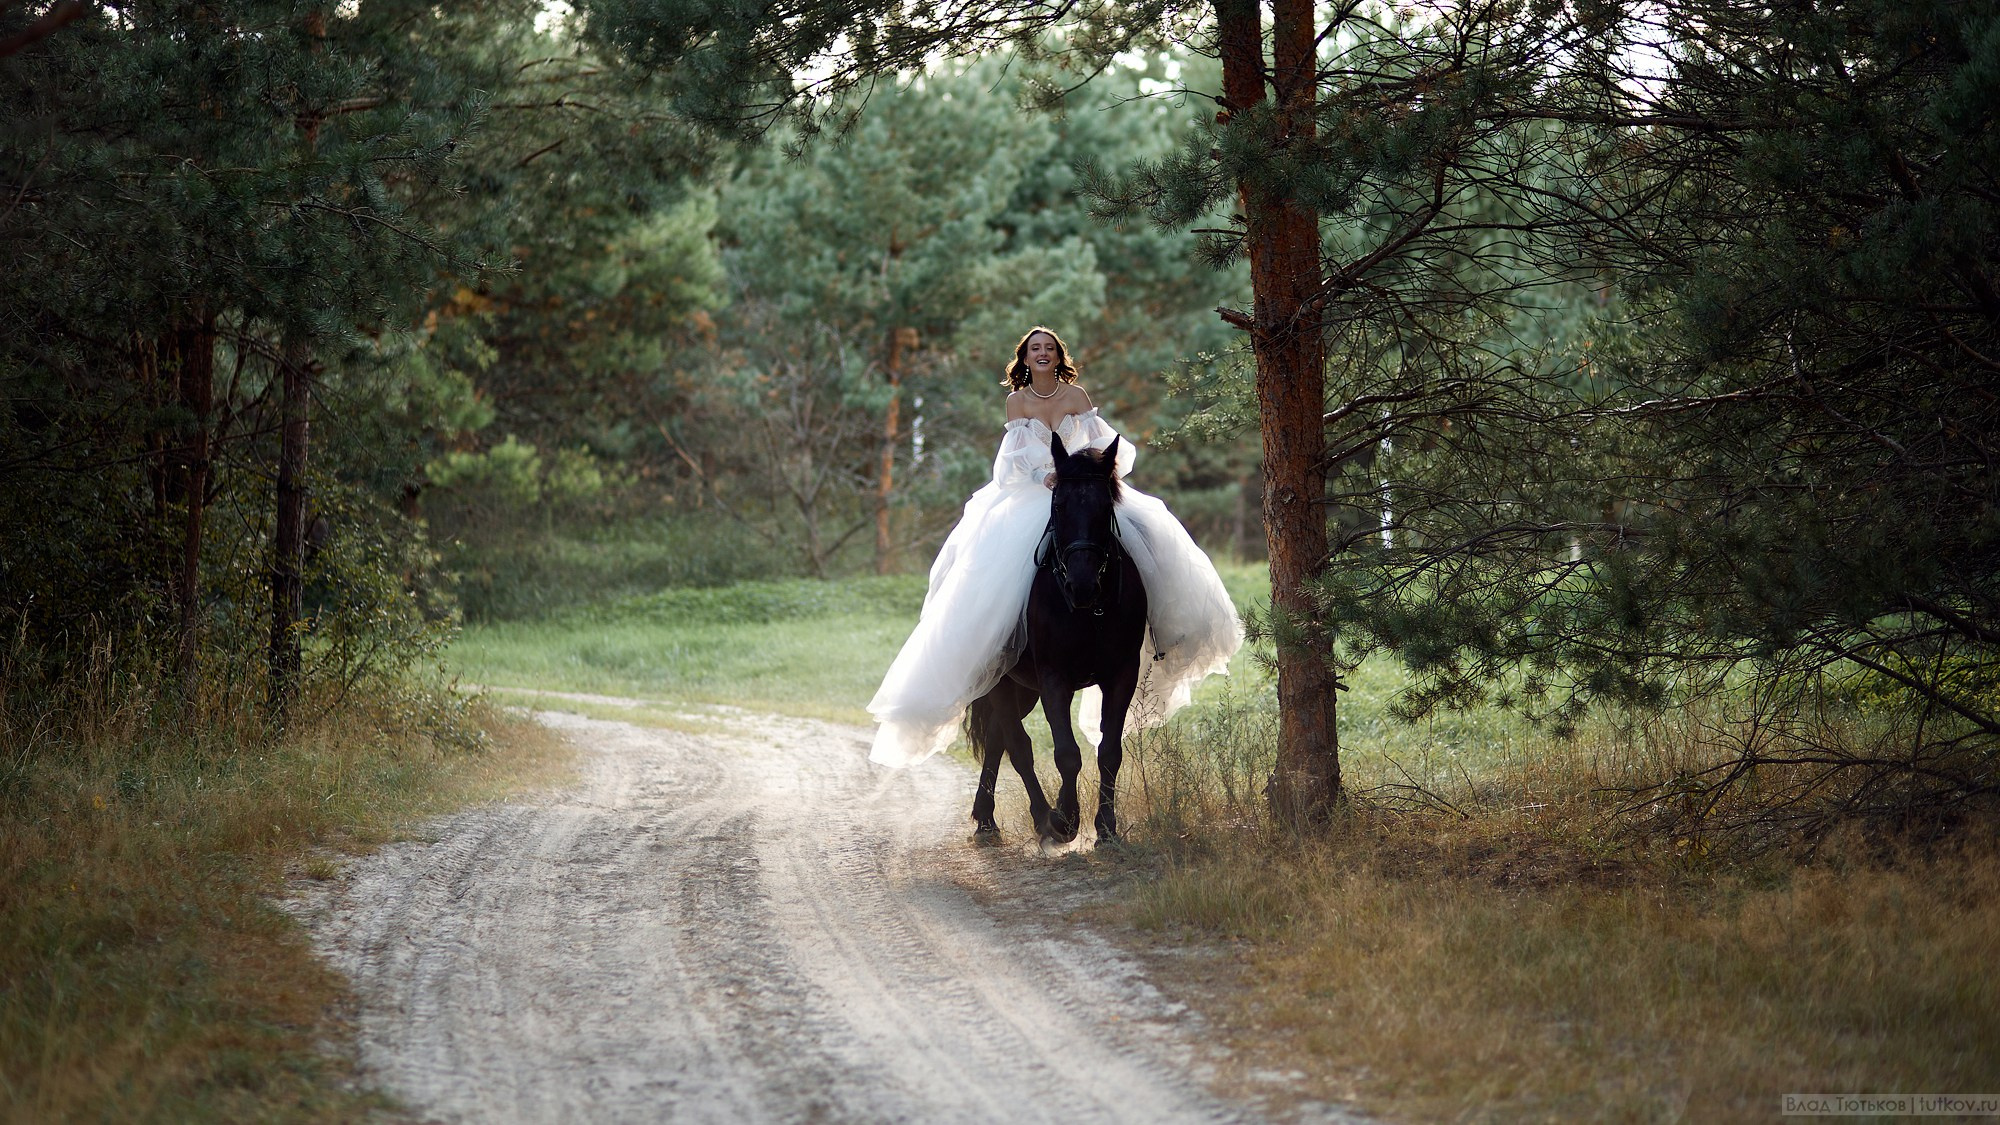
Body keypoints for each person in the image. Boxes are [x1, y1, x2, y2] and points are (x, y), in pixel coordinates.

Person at [867, 326, 1243, 767]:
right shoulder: (1017, 403)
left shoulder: (1077, 397)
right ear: (1024, 359)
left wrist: (1083, 470)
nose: (1042, 354)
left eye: (1049, 348)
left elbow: (1103, 445)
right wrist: (1042, 476)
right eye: (1034, 349)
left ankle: (1162, 632)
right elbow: (1009, 464)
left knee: (1146, 538)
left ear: (1058, 356)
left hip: (1079, 485)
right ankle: (996, 647)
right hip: (1033, 494)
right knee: (990, 567)